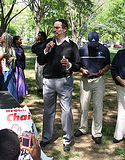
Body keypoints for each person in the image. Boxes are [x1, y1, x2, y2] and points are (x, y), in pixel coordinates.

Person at [37, 19, 81, 151]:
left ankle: (67, 139)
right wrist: (46, 49)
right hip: (48, 81)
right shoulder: (49, 43)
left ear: (65, 29)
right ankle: (46, 138)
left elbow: (78, 65)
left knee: (66, 111)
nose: (55, 30)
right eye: (54, 28)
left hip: (64, 81)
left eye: (57, 28)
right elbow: (40, 60)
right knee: (48, 110)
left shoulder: (71, 46)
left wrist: (69, 65)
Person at [74, 31, 110, 144]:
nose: (93, 46)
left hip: (98, 80)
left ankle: (97, 133)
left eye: (95, 44)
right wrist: (82, 70)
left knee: (98, 106)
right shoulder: (82, 50)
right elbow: (78, 65)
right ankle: (83, 128)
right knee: (84, 105)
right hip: (85, 80)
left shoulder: (104, 50)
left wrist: (103, 70)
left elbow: (108, 64)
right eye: (91, 44)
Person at [0, 33, 18, 101]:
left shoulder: (11, 49)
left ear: (5, 39)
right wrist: (2, 56)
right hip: (0, 69)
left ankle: (11, 100)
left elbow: (14, 57)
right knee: (2, 85)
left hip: (8, 69)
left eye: (2, 37)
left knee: (10, 86)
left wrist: (12, 58)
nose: (0, 38)